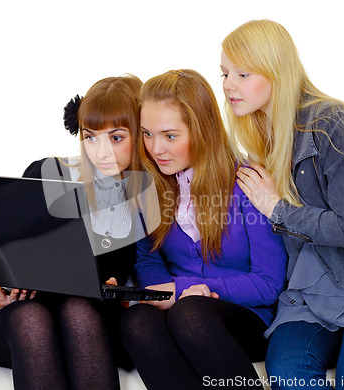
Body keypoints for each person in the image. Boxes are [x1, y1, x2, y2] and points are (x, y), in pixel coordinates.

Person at [221, 19, 344, 390]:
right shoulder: (260, 139)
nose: (229, 85)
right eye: (225, 73)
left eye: (243, 74)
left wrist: (275, 207)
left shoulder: (332, 122)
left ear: (277, 71)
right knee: (288, 376)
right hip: (307, 296)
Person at [0, 74, 146, 390]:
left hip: (93, 321)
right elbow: (8, 247)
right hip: (21, 316)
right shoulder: (47, 174)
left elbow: (146, 273)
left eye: (117, 137)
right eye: (90, 137)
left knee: (78, 310)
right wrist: (2, 293)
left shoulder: (148, 197)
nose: (101, 151)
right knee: (33, 321)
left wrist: (117, 292)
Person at [119, 69, 288, 390]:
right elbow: (148, 259)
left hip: (245, 317)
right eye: (147, 134)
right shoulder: (148, 187)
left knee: (190, 313)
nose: (155, 149)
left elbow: (268, 283)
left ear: (202, 131)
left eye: (170, 136)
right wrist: (161, 293)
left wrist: (184, 289)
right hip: (182, 311)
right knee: (137, 320)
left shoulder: (248, 183)